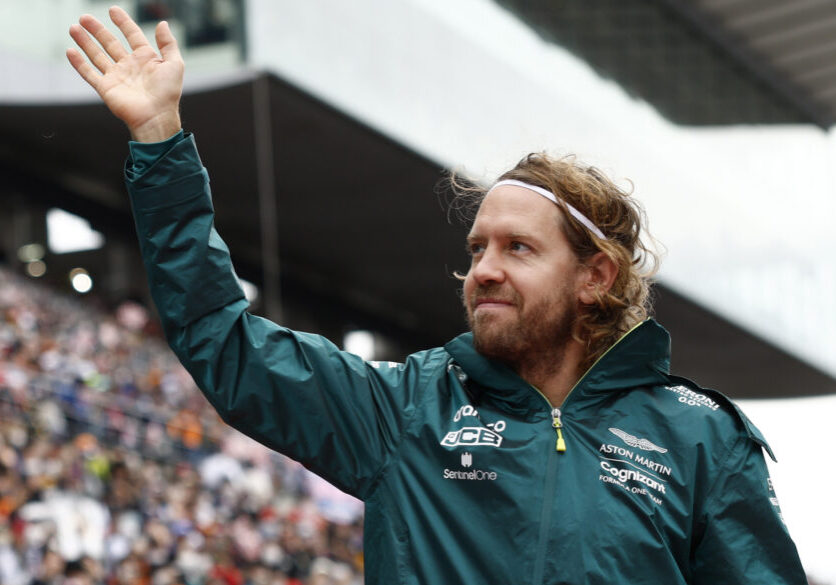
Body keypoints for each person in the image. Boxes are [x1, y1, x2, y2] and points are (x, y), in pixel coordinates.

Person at [67, 7, 807, 584]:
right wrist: (160, 142)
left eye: (518, 248)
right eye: (477, 248)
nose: (483, 268)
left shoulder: (702, 439)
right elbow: (221, 340)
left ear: (596, 277)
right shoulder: (407, 409)